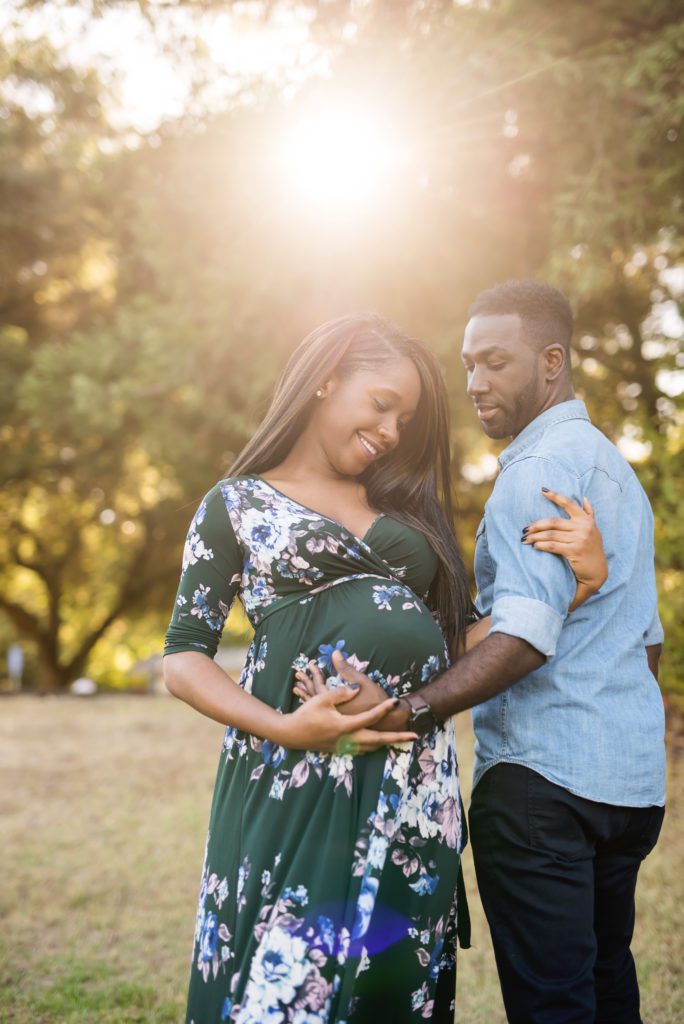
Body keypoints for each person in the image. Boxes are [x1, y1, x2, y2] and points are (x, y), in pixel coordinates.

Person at [163, 311, 605, 1024]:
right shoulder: (236, 505)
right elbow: (182, 660)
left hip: (412, 787)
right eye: (381, 405)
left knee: (389, 982)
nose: (393, 431)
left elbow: (461, 647)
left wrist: (576, 585)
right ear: (325, 381)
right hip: (296, 782)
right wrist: (285, 728)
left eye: (405, 418)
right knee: (288, 985)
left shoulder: (408, 512)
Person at [328, 284, 665, 1024]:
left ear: (552, 362)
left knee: (555, 1005)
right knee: (609, 984)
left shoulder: (535, 472)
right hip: (631, 789)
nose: (476, 382)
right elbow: (646, 648)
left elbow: (523, 637)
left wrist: (413, 710)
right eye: (469, 364)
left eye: (496, 362)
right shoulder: (616, 471)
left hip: (543, 785)